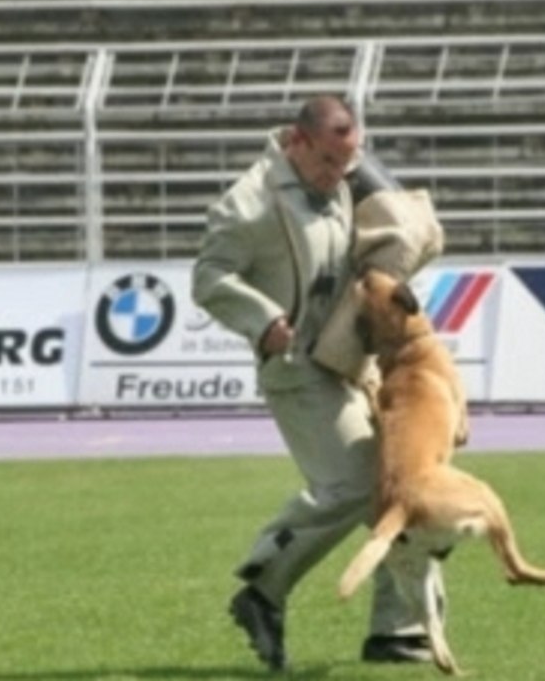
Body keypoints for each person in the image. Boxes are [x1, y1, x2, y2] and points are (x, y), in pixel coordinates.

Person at [191, 95, 444, 671]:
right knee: (354, 482)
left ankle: (399, 631)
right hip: (298, 368)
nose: (340, 176)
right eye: (329, 162)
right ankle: (261, 587)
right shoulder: (248, 203)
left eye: (349, 162)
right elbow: (209, 277)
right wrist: (261, 319)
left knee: (403, 487)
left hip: (356, 360)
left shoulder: (348, 177)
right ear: (297, 142)